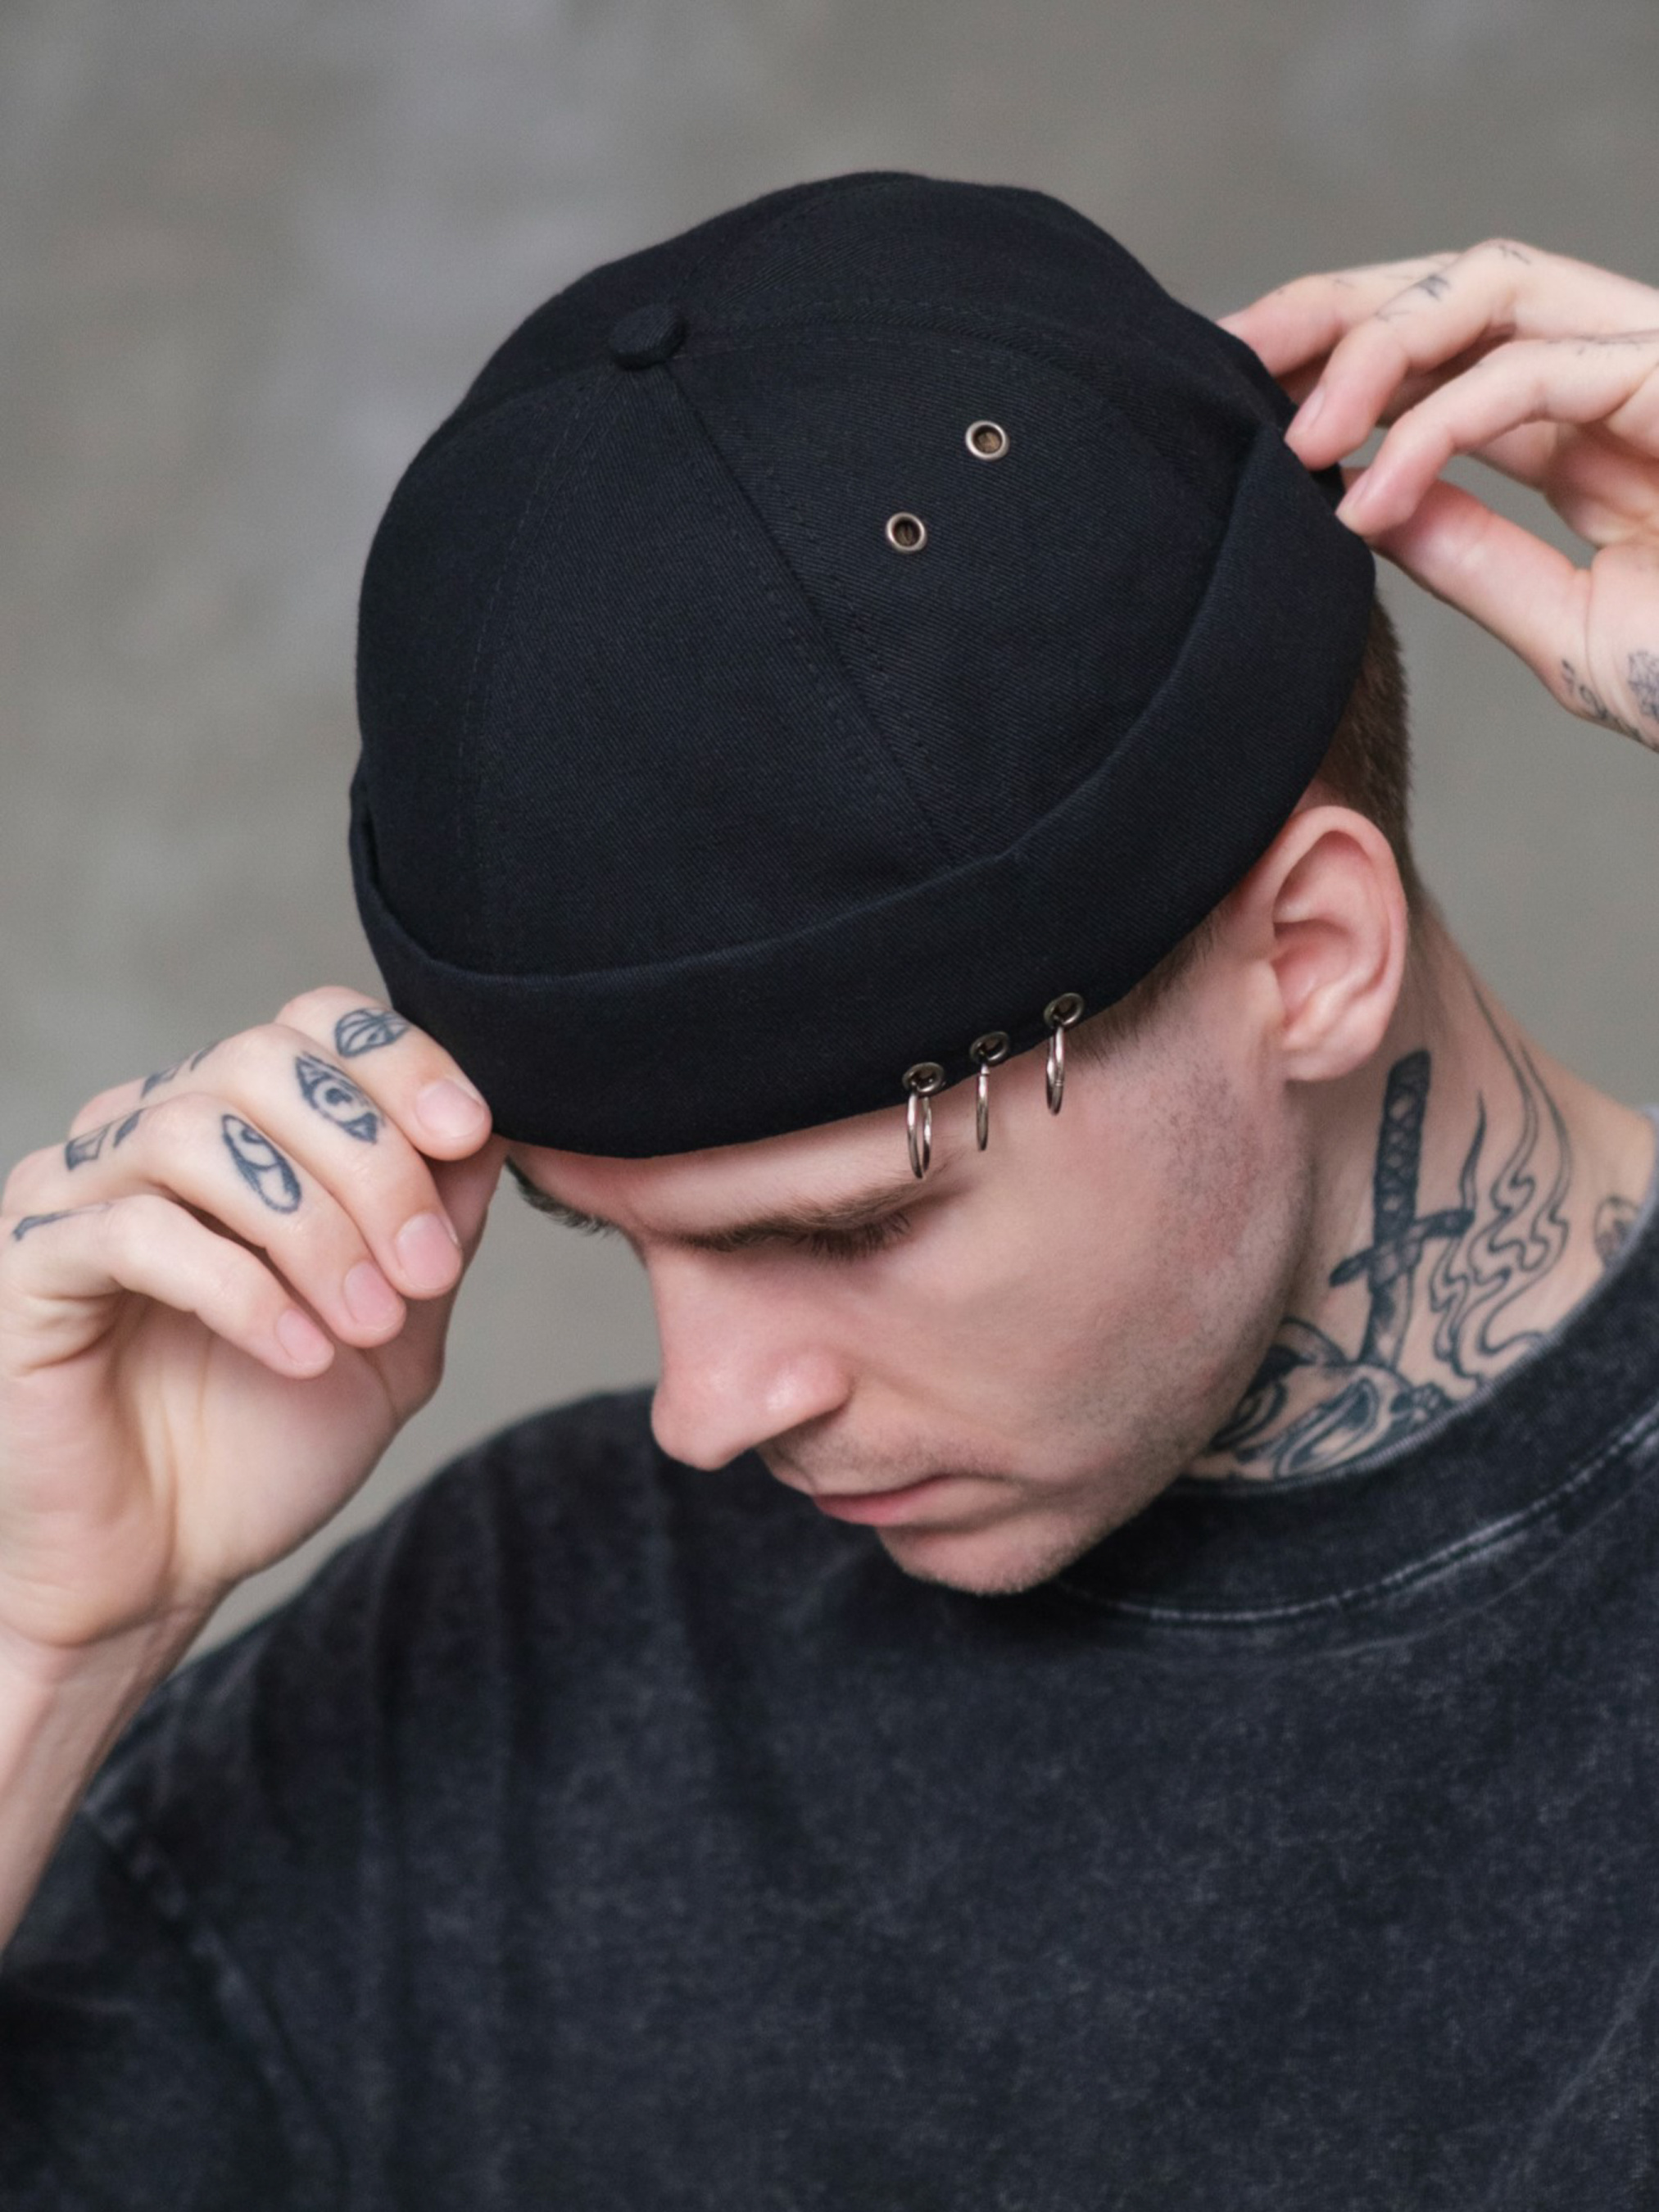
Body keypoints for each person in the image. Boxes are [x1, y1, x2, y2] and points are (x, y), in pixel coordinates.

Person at [3, 175, 1659, 2205]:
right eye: (611, 1236)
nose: (708, 1414)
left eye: (846, 1226)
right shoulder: (514, 1654)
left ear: (1307, 958)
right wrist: (39, 1642)